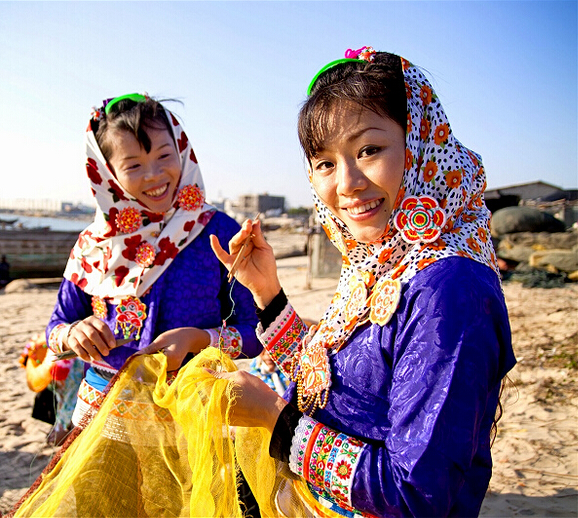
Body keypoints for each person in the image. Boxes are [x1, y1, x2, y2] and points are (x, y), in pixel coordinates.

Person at [209, 47, 516, 517]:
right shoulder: (381, 259)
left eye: (369, 150)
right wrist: (266, 291)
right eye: (325, 162)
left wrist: (274, 419)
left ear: (420, 147)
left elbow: (417, 494)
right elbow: (335, 385)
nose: (347, 183)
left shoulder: (449, 289)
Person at [46, 93, 261, 428]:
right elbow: (56, 328)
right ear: (107, 174)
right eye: (133, 165)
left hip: (190, 416)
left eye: (164, 155)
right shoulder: (93, 245)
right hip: (103, 417)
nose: (154, 174)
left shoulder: (219, 233)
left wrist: (200, 339)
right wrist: (73, 333)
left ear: (182, 151)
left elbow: (254, 334)